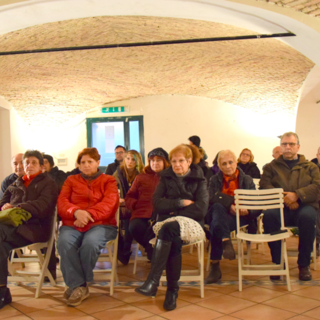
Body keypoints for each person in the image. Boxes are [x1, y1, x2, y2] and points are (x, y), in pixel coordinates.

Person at [135, 144, 208, 311]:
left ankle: (154, 282)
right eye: (174, 161)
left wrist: (174, 211)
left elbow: (201, 209)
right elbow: (157, 203)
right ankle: (172, 291)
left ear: (189, 161)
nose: (177, 164)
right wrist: (179, 203)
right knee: (171, 235)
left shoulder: (200, 179)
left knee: (167, 230)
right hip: (169, 223)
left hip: (192, 223)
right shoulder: (165, 177)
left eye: (181, 160)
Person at [57, 147, 119, 307]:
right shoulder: (70, 180)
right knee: (64, 243)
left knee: (90, 244)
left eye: (90, 162)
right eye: (82, 162)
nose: (86, 165)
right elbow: (62, 202)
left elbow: (109, 204)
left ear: (98, 162)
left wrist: (86, 215)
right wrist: (76, 212)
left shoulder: (109, 181)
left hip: (101, 224)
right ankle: (80, 285)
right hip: (73, 223)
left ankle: (76, 284)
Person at [0, 150, 58, 309]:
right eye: (26, 163)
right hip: (12, 227)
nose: (29, 166)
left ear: (42, 166)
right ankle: (3, 291)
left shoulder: (48, 183)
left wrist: (17, 206)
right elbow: (2, 202)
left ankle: (2, 294)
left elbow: (43, 206)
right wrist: (4, 206)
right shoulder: (16, 183)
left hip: (35, 229)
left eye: (34, 163)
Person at [260, 132, 320, 281]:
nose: (288, 147)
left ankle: (303, 264)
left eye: (291, 144)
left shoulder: (311, 167)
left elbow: (318, 186)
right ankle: (279, 262)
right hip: (280, 207)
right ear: (280, 147)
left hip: (304, 205)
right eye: (284, 144)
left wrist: (297, 195)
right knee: (269, 217)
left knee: (308, 217)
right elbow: (264, 186)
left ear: (298, 147)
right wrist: (286, 198)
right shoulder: (271, 167)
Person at [205, 150, 259, 284]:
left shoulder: (247, 180)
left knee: (216, 225)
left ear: (236, 162)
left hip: (240, 217)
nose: (228, 166)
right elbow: (211, 198)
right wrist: (230, 204)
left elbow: (257, 204)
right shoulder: (214, 179)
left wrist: (247, 211)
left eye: (230, 162)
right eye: (224, 164)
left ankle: (215, 266)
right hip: (222, 214)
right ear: (219, 166)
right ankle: (225, 240)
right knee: (217, 210)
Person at [125, 148, 170, 260]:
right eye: (152, 160)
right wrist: (135, 204)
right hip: (142, 213)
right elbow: (130, 196)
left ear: (165, 162)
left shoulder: (171, 178)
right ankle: (154, 252)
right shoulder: (141, 177)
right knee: (134, 227)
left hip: (163, 214)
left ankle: (155, 255)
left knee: (160, 230)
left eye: (158, 160)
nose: (155, 163)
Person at [113, 149, 144, 265]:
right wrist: (119, 197)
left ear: (137, 162)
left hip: (136, 207)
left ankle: (125, 252)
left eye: (133, 160)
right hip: (121, 207)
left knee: (130, 223)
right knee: (118, 225)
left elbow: (142, 193)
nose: (130, 162)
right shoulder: (118, 173)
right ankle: (123, 251)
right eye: (128, 159)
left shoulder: (141, 173)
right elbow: (112, 189)